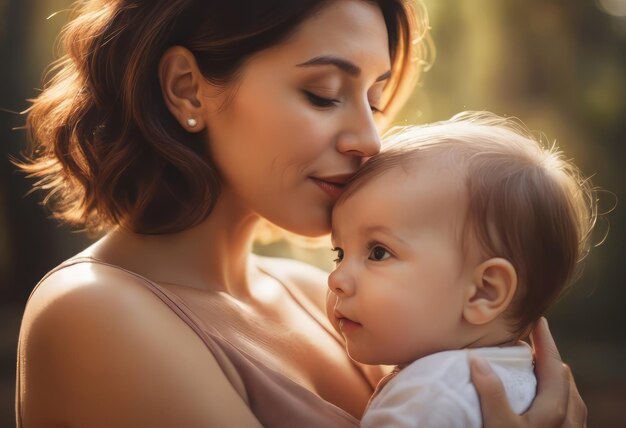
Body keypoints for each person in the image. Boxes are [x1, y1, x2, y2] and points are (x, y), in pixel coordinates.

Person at [15, 0, 586, 426]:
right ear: (188, 89)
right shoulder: (95, 312)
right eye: (323, 93)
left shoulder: (328, 297)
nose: (369, 138)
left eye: (375, 99)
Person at [327, 111, 597, 427]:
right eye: (339, 253)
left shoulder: (430, 394)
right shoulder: (528, 384)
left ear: (485, 291)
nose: (336, 279)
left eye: (378, 252)